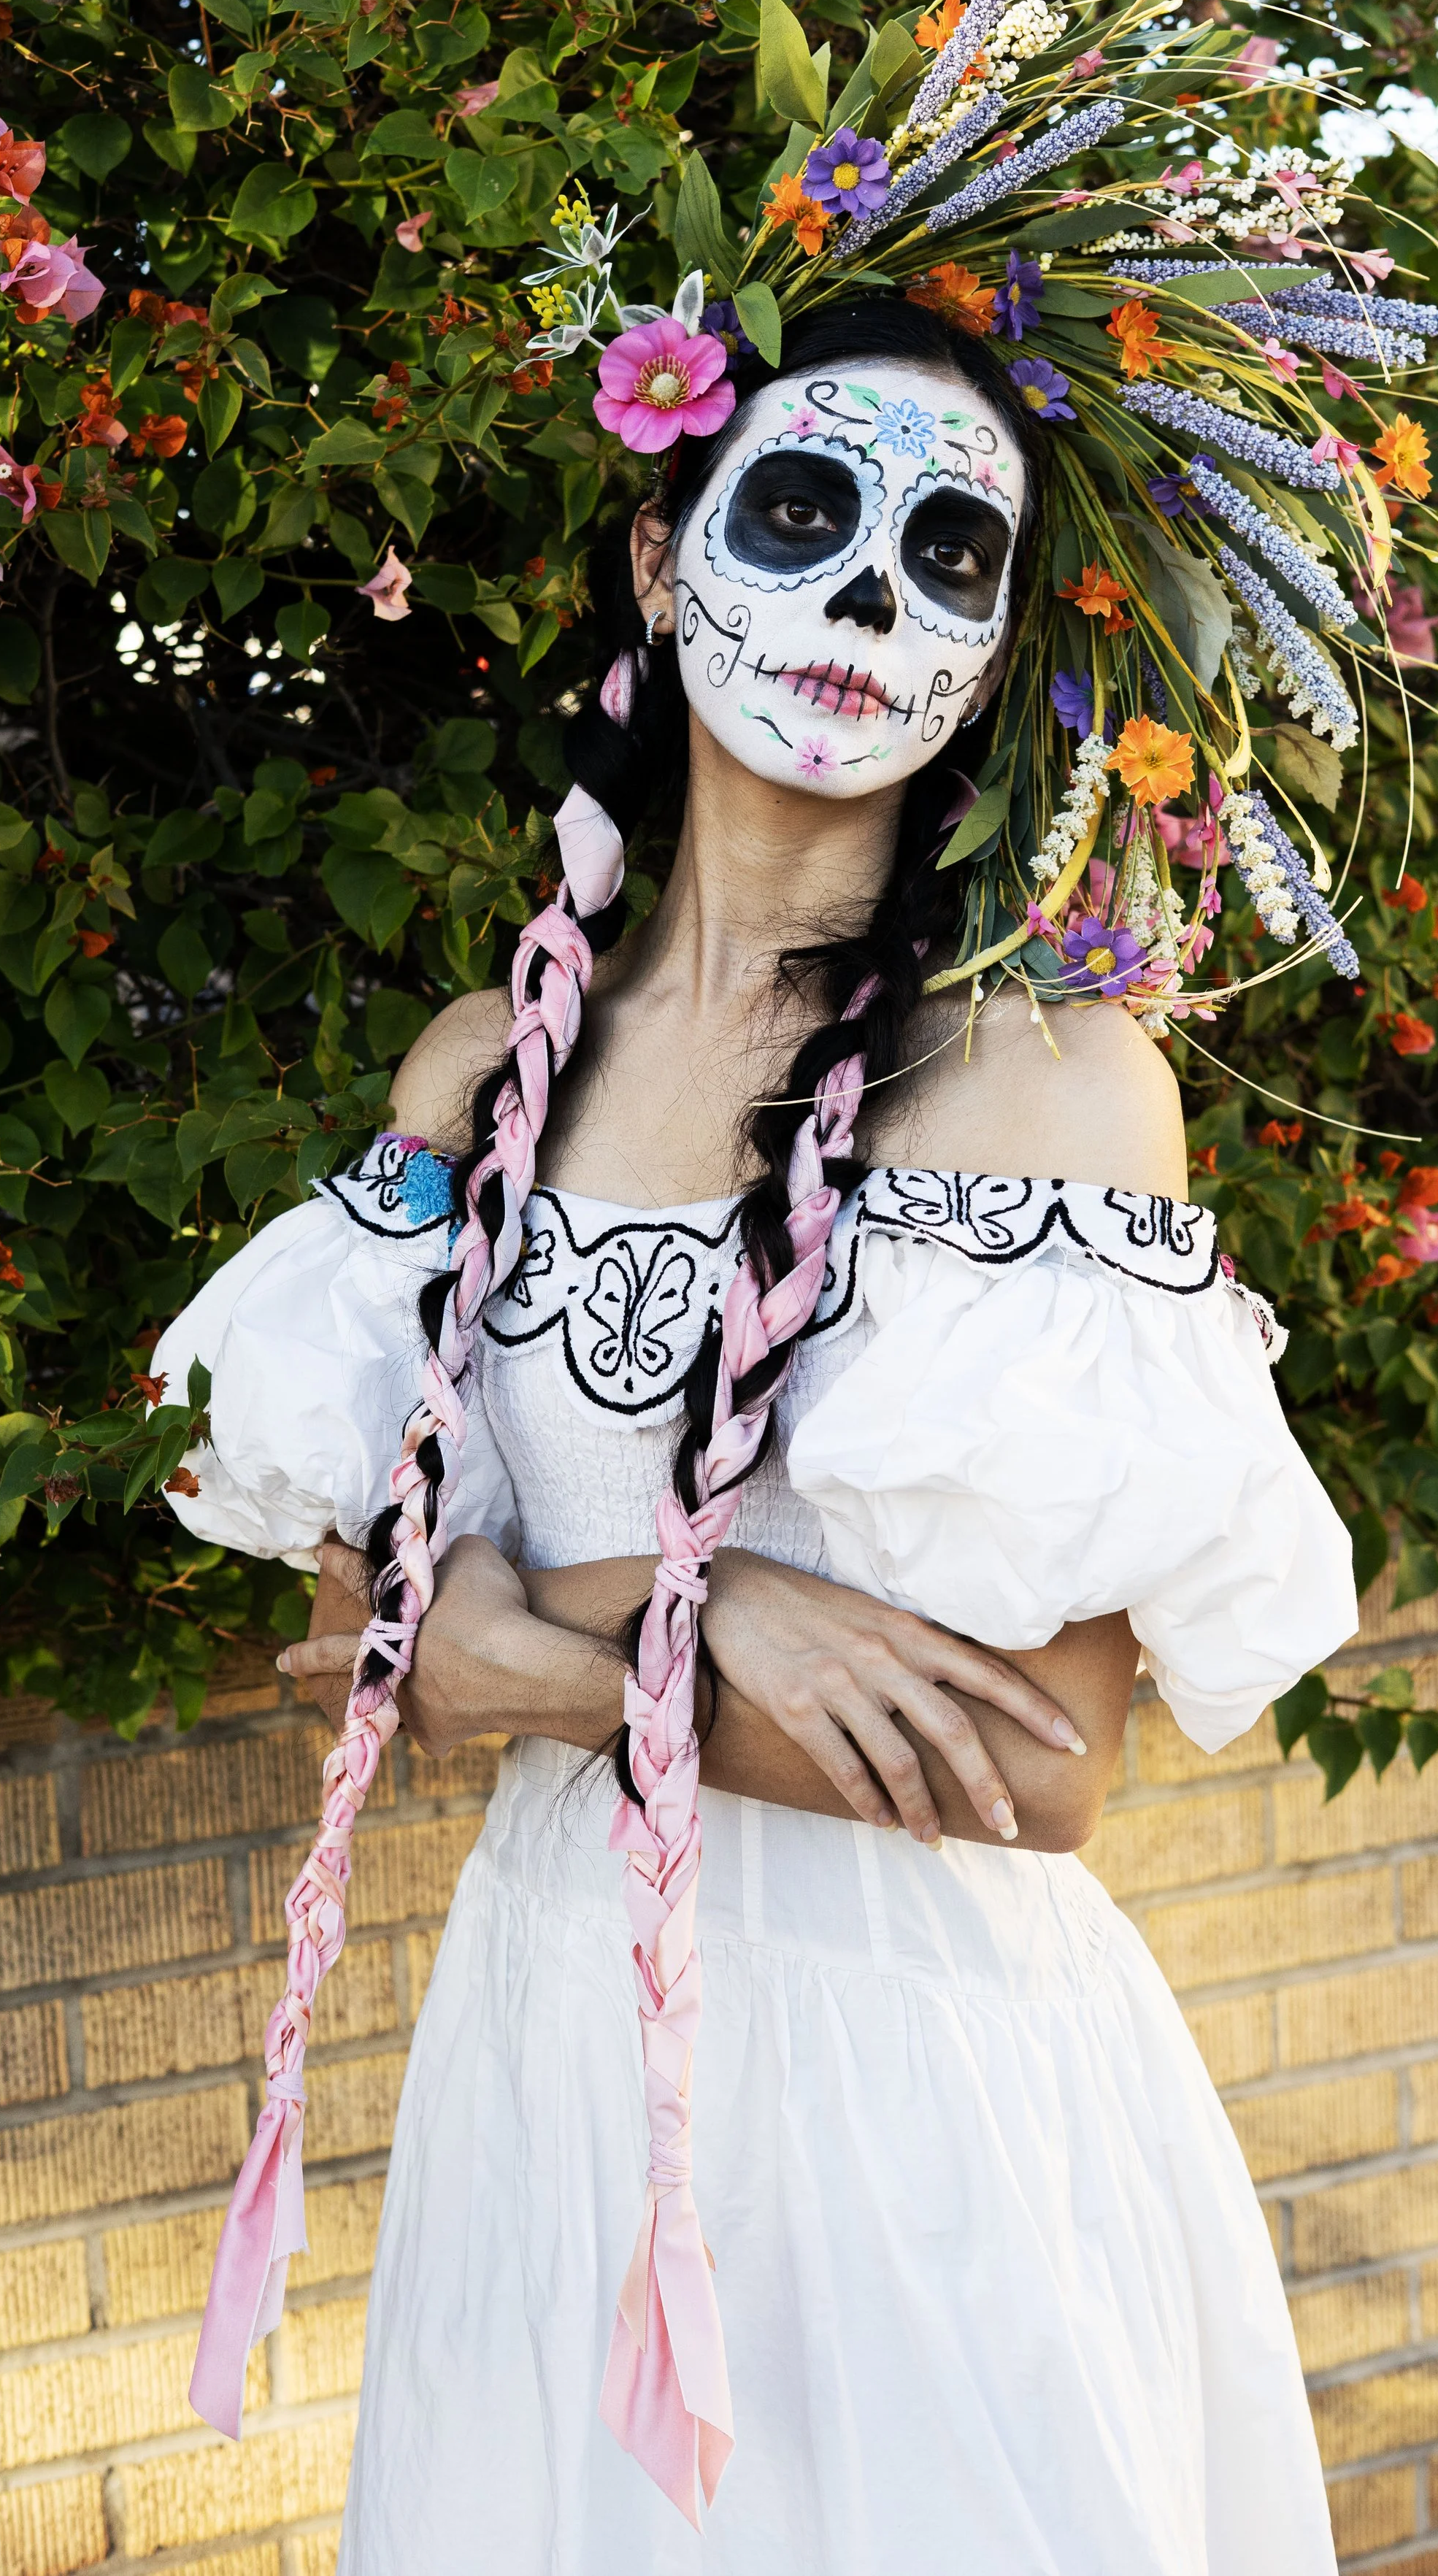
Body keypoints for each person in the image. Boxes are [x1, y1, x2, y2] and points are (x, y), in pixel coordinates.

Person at [155, 293, 1360, 2572]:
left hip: (914, 2084)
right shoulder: (480, 1065)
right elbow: (358, 1611)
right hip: (558, 2054)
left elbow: (1036, 1770)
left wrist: (588, 1668)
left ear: (996, 657)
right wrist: (728, 1632)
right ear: (654, 553)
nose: (865, 601)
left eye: (950, 559)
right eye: (797, 515)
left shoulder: (1053, 1090)